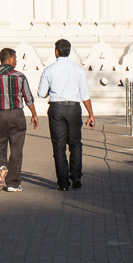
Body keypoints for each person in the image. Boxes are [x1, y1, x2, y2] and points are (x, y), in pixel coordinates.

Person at [36, 38, 95, 191]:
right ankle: (76, 177)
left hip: (56, 108)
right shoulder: (78, 69)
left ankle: (63, 183)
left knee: (59, 146)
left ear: (56, 51)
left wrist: (52, 90)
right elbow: (85, 95)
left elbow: (41, 93)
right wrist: (91, 115)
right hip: (73, 108)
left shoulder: (49, 70)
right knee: (75, 144)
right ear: (69, 51)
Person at [0, 47, 37, 192]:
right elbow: (28, 98)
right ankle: (13, 184)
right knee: (16, 149)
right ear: (9, 59)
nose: (16, 61)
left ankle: (0, 166)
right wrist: (34, 115)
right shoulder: (19, 76)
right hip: (17, 114)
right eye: (15, 58)